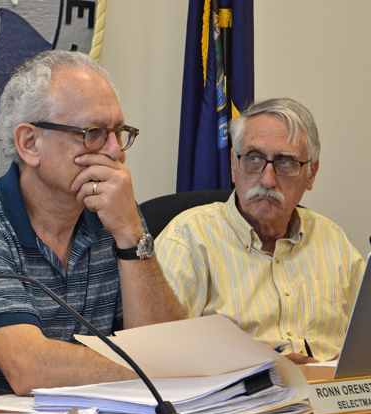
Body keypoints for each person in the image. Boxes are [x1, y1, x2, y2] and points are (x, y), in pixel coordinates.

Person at [0, 50, 185, 400]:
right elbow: (30, 368)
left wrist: (131, 235)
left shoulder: (116, 215)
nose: (116, 152)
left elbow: (162, 341)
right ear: (30, 143)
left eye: (118, 132)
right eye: (94, 132)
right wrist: (155, 367)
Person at [156, 98, 365, 364]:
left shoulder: (333, 240)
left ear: (311, 173)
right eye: (254, 158)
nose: (267, 179)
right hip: (241, 397)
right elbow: (159, 350)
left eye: (285, 162)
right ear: (233, 164)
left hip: (328, 399)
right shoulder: (189, 237)